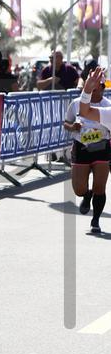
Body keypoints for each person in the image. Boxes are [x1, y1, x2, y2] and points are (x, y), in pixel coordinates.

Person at [70, 66, 111, 233]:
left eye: (96, 86)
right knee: (79, 190)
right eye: (92, 86)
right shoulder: (106, 112)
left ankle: (96, 220)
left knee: (100, 188)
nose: (95, 89)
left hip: (102, 149)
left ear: (103, 88)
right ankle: (87, 195)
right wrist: (86, 90)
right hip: (83, 148)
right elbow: (84, 111)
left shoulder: (107, 105)